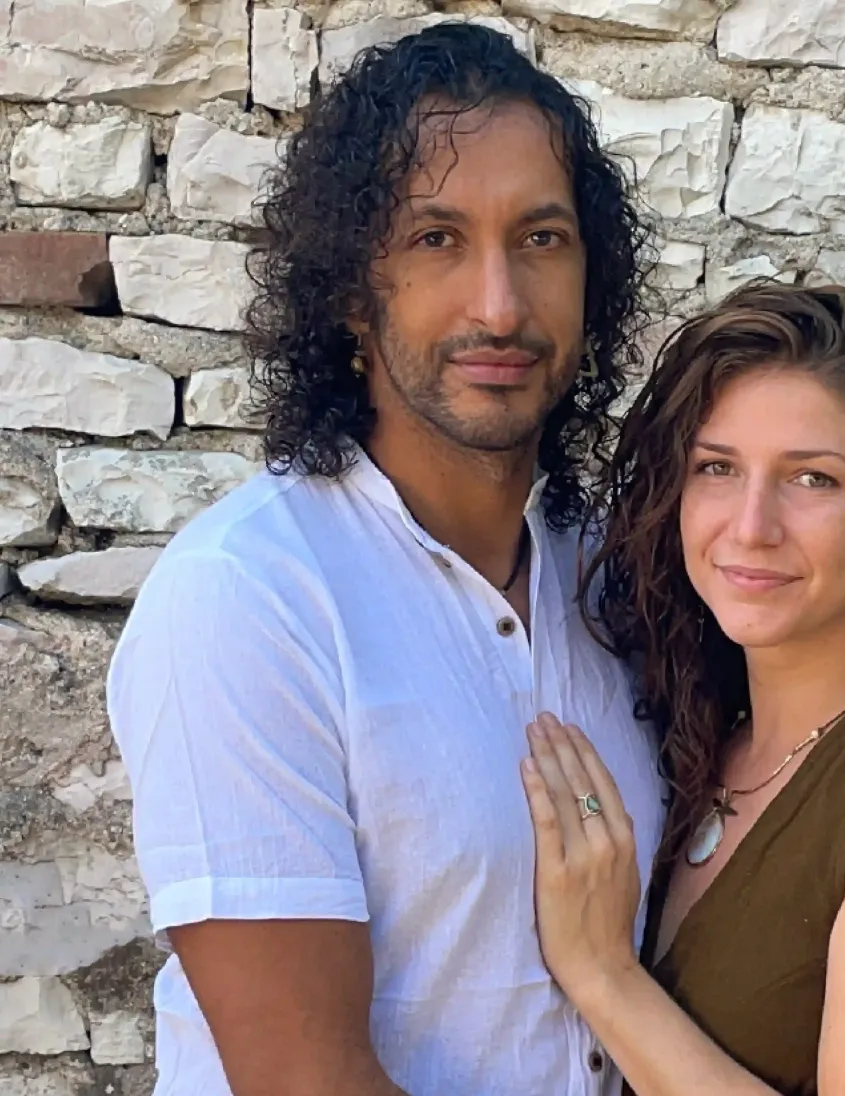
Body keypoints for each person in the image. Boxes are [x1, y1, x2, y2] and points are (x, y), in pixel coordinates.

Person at [105, 23, 665, 1096]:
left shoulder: (615, 583)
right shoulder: (251, 596)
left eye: (542, 239)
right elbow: (304, 1079)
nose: (499, 304)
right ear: (352, 292)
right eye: (436, 240)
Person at [519, 283, 845, 1096]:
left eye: (812, 480)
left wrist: (603, 975)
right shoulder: (704, 736)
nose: (751, 525)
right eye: (717, 468)